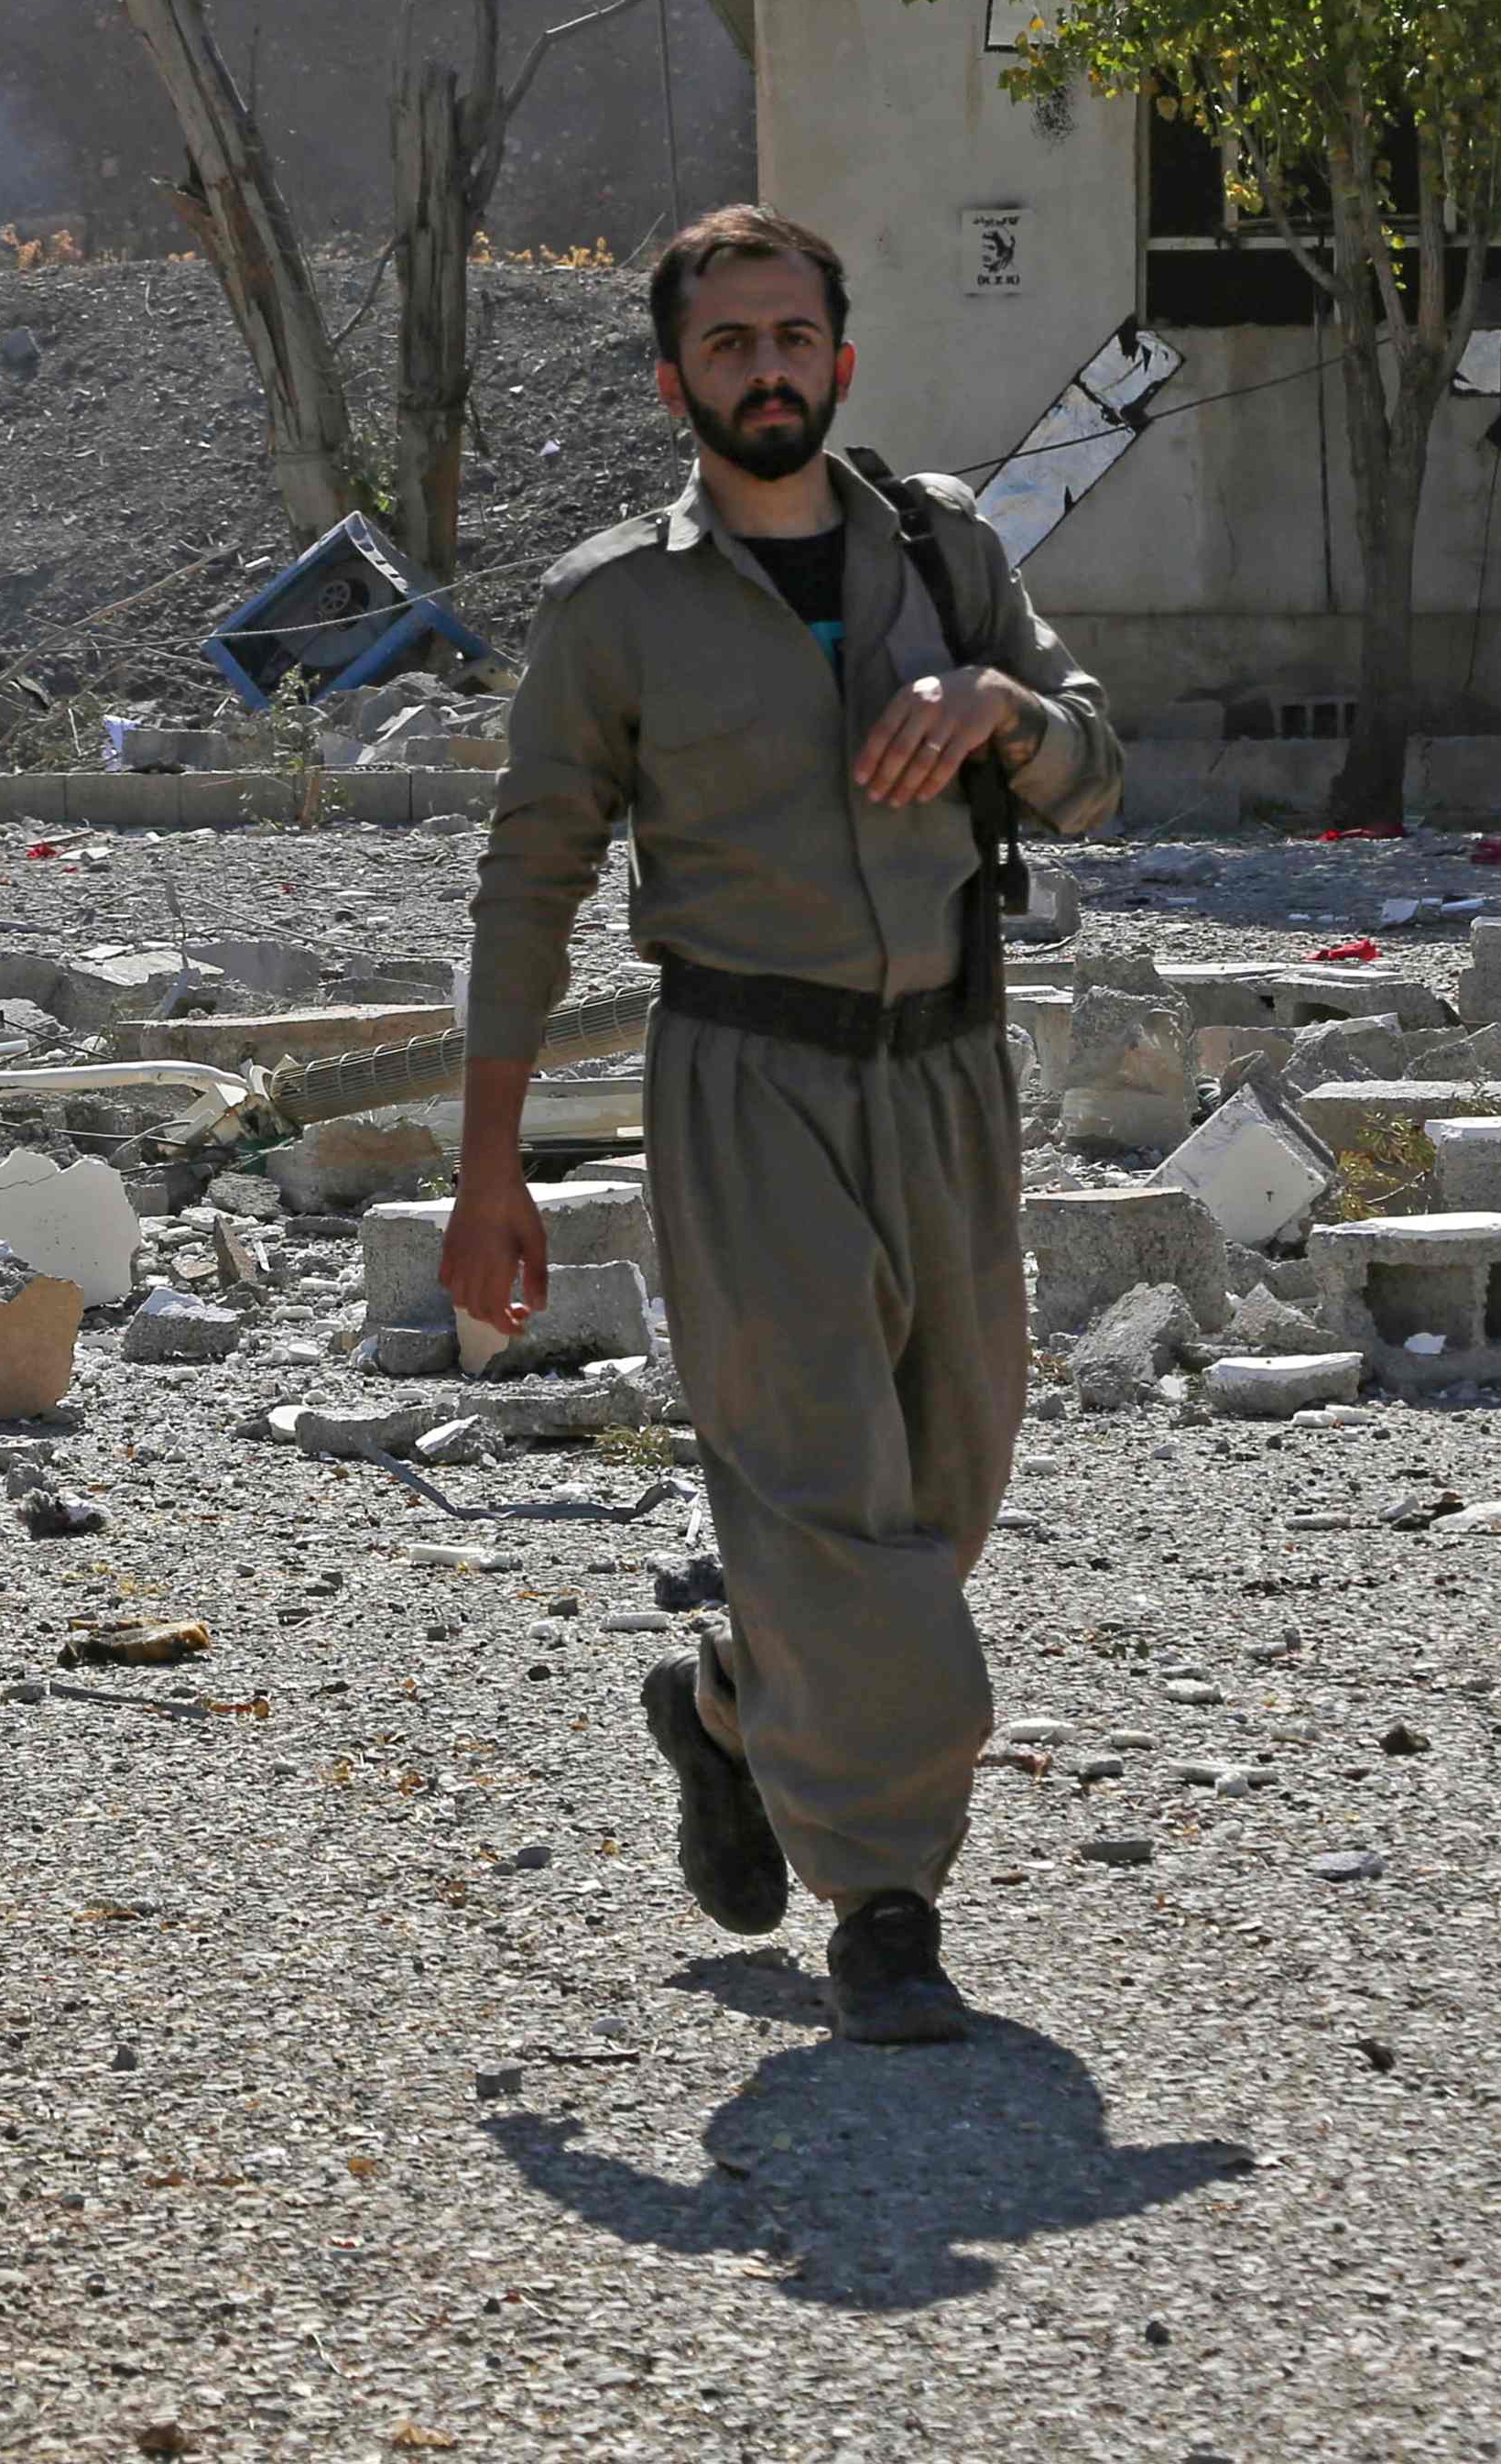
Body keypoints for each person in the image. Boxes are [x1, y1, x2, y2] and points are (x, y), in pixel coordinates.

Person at [444, 203, 1125, 2043]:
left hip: (953, 1070)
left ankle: (741, 1699)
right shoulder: (619, 609)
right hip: (743, 1083)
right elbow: (532, 880)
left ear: (843, 360)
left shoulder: (947, 552)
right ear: (675, 384)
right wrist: (488, 1163)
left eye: (792, 335)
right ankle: (888, 1902)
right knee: (820, 1477)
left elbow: (1094, 761)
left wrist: (999, 710)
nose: (766, 366)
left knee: (952, 1473)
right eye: (727, 342)